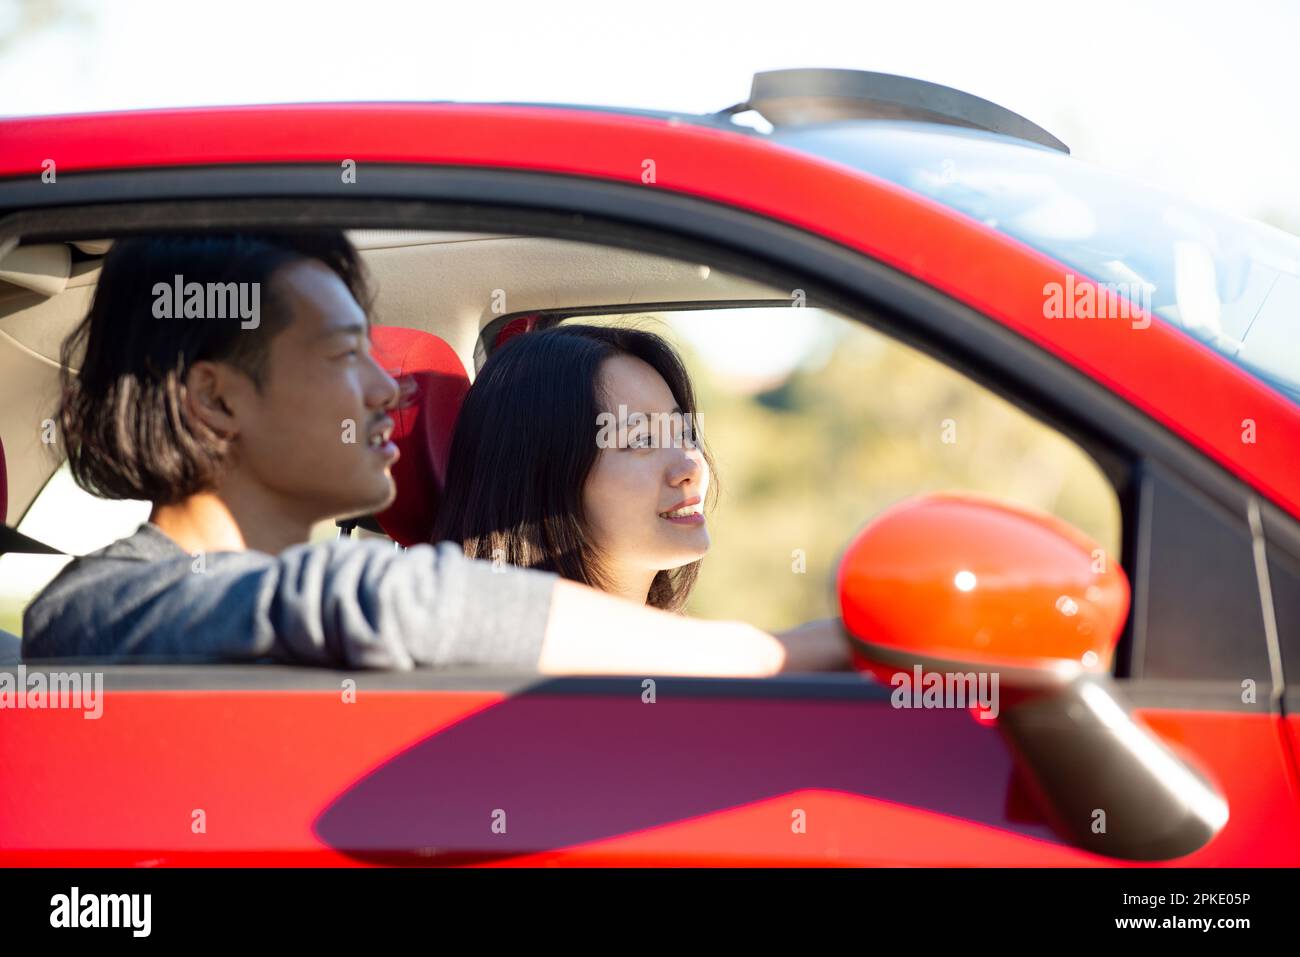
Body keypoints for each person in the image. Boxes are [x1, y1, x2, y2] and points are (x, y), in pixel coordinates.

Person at [22, 232, 847, 674]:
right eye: (347, 356)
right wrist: (779, 652)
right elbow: (373, 596)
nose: (389, 392)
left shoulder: (366, 637)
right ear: (215, 398)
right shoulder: (97, 607)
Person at [433, 324, 849, 657]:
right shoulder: (508, 667)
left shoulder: (665, 654)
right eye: (640, 439)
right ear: (545, 473)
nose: (691, 465)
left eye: (683, 430)